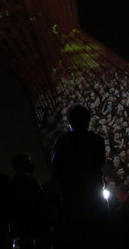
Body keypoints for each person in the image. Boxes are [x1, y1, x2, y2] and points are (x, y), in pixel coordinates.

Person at [51, 105, 107, 249]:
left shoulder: (63, 141)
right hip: (93, 195)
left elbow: (56, 167)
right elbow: (99, 163)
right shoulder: (96, 140)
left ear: (70, 121)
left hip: (71, 198)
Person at [10, 154, 47, 249]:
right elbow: (41, 201)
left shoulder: (13, 183)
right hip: (33, 225)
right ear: (22, 164)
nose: (30, 164)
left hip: (23, 226)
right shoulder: (32, 182)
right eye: (28, 161)